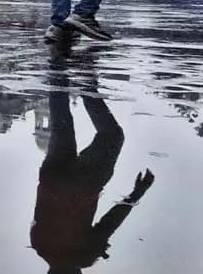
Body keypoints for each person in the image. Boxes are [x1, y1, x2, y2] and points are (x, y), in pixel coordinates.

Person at [31, 69, 155, 270]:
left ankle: (87, 82)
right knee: (62, 120)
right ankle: (58, 64)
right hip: (52, 177)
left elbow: (109, 223)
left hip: (84, 184)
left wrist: (137, 193)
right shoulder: (39, 245)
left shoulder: (82, 257)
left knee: (112, 136)